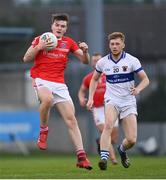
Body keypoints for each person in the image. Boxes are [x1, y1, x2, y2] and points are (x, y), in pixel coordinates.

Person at [23, 13, 92, 170]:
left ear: (66, 28)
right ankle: (43, 130)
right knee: (47, 100)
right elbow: (26, 58)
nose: (60, 28)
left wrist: (85, 51)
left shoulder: (68, 42)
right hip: (41, 79)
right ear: (52, 26)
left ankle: (81, 157)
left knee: (71, 120)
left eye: (63, 26)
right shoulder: (41, 39)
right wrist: (39, 47)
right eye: (57, 25)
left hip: (60, 84)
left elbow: (85, 61)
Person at [87, 32, 149, 170]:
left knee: (132, 139)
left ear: (123, 45)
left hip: (128, 101)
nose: (114, 46)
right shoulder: (103, 62)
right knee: (108, 125)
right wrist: (90, 98)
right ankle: (104, 158)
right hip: (111, 100)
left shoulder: (132, 60)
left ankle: (121, 150)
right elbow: (94, 79)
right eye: (112, 44)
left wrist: (138, 89)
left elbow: (145, 79)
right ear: (109, 45)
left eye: (117, 44)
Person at [78, 53, 119, 165]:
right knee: (105, 131)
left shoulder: (110, 74)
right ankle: (113, 159)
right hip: (98, 108)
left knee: (114, 137)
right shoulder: (88, 78)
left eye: (98, 60)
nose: (96, 62)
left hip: (111, 106)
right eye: (94, 60)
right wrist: (82, 99)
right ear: (92, 63)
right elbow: (81, 90)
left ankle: (100, 143)